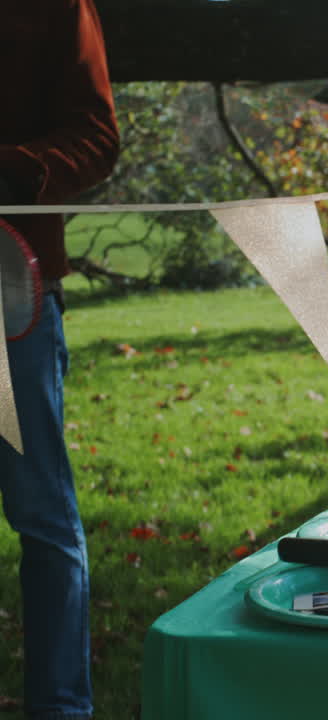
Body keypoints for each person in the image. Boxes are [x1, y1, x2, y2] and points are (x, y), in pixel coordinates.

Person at [0, 0, 120, 717]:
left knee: (41, 514)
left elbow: (96, 137)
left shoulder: (51, 5)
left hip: (11, 292)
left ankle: (60, 709)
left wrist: (10, 170)